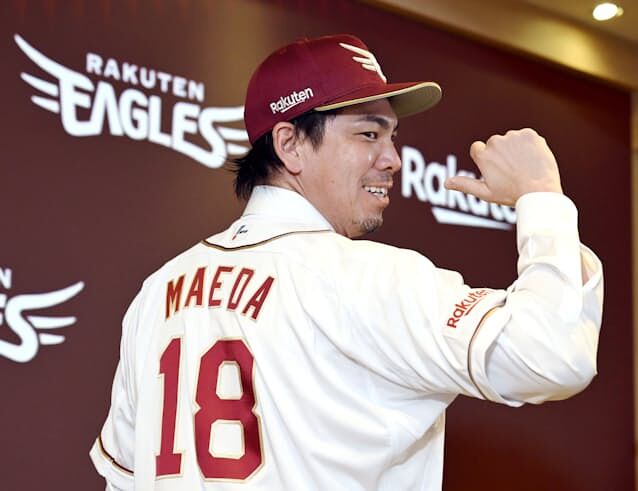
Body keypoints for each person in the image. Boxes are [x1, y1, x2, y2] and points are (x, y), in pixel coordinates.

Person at [90, 34, 603, 490]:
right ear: (289, 145)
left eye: (392, 136)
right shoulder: (365, 278)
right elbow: (552, 355)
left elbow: (123, 482)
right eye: (368, 134)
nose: (393, 159)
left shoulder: (157, 292)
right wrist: (541, 197)